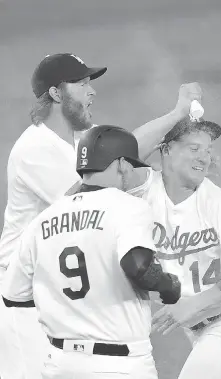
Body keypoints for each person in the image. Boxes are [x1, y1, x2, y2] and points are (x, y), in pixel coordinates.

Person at [0, 52, 201, 379]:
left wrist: (176, 116)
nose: (92, 91)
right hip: (25, 298)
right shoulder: (34, 149)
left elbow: (122, 152)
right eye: (81, 84)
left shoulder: (81, 137)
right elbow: (96, 187)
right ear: (55, 94)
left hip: (63, 285)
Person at [2, 125, 181, 379]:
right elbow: (139, 266)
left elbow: (14, 296)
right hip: (121, 366)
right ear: (120, 164)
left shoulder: (42, 220)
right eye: (131, 164)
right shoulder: (128, 206)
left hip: (61, 365)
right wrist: (168, 286)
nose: (132, 171)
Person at [127, 116, 221, 379]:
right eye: (194, 148)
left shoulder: (219, 204)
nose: (204, 157)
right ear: (166, 149)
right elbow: (120, 158)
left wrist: (191, 306)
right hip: (200, 330)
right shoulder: (146, 188)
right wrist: (177, 112)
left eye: (208, 150)